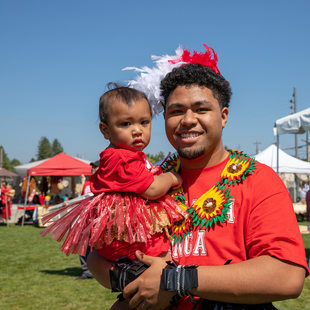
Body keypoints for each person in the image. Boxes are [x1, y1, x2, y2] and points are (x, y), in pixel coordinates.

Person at [87, 45, 309, 310]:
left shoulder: (259, 179)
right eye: (177, 111)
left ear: (223, 116)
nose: (188, 120)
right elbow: (94, 254)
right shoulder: (145, 178)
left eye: (201, 109)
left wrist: (175, 280)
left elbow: (287, 277)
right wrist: (134, 286)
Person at [41, 86, 185, 269]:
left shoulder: (119, 155)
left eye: (144, 122)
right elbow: (153, 189)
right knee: (164, 262)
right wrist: (171, 177)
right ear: (105, 130)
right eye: (126, 124)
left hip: (123, 238)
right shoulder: (121, 158)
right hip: (132, 241)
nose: (137, 130)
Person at [76, 162, 99, 280]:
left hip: (100, 220)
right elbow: (82, 199)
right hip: (86, 219)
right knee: (83, 245)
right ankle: (86, 271)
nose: (92, 169)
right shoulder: (87, 184)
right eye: (92, 168)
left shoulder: (103, 183)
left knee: (99, 247)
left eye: (95, 167)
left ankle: (100, 271)